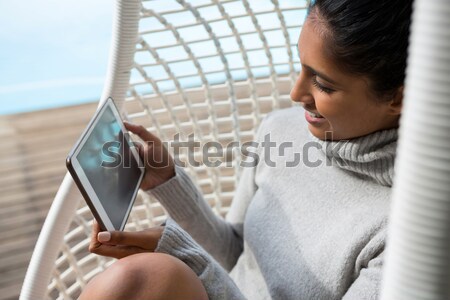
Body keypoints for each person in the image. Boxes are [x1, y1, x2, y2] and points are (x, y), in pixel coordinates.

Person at [79, 0, 412, 299]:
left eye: (323, 84)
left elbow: (209, 270)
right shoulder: (281, 130)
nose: (296, 94)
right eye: (300, 66)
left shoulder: (407, 232)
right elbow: (236, 253)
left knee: (146, 278)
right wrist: (167, 182)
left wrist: (189, 261)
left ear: (398, 97)